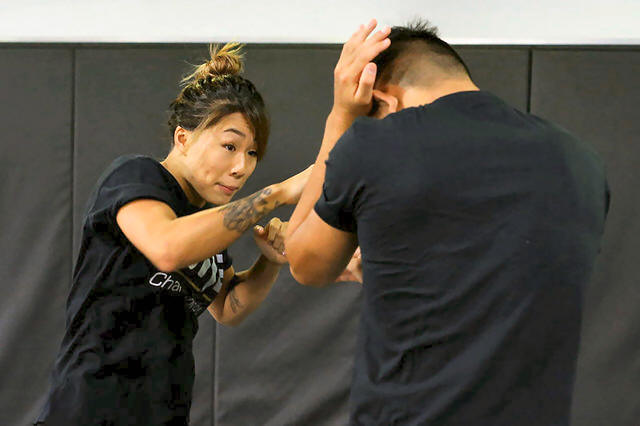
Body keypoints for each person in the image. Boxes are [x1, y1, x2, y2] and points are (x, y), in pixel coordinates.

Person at [286, 19, 610, 425]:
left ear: (383, 101)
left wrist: (341, 115)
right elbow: (508, 278)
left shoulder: (376, 143)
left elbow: (305, 262)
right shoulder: (580, 162)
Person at [35, 43, 311, 425]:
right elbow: (166, 248)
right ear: (183, 138)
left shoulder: (204, 223)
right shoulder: (135, 175)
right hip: (90, 411)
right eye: (230, 145)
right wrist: (275, 194)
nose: (241, 167)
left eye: (252, 153)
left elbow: (228, 306)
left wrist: (270, 261)